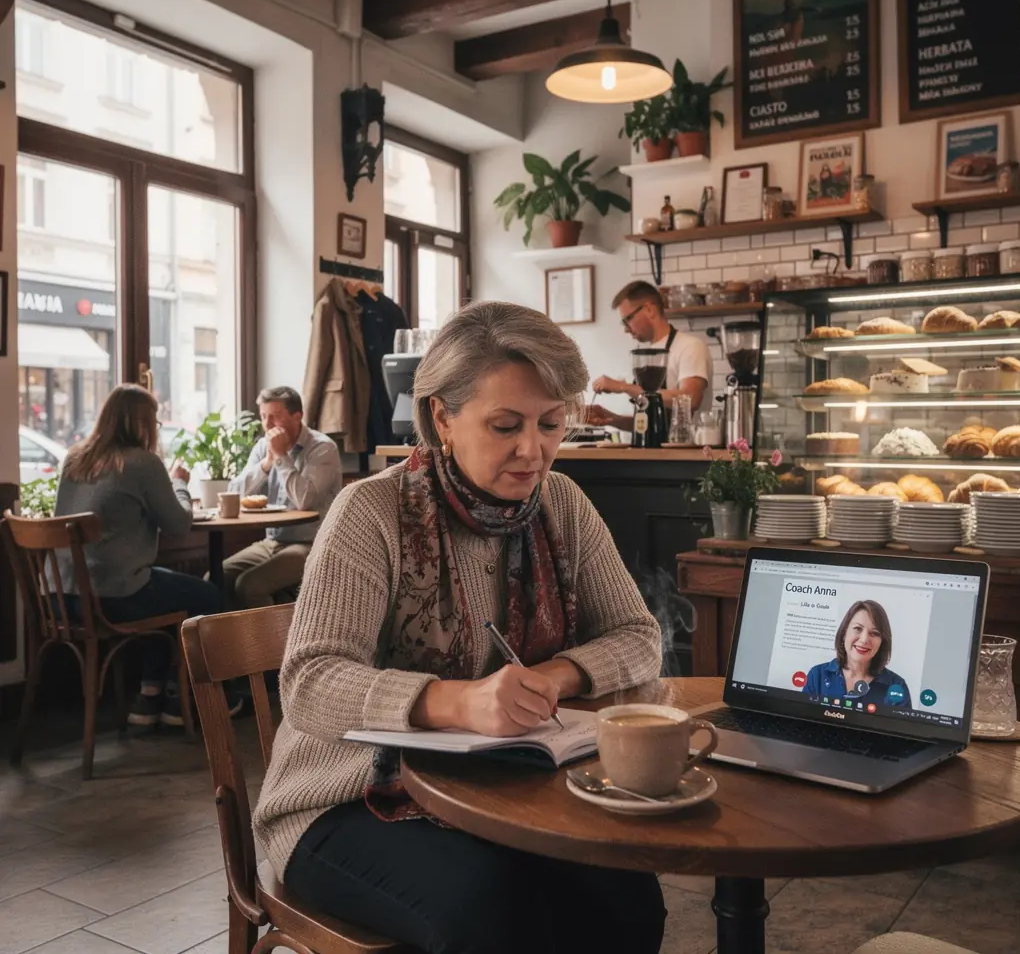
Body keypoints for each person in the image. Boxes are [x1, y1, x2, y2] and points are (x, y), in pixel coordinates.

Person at [253, 301, 666, 954]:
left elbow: (639, 637)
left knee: (627, 895)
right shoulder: (372, 512)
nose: (534, 450)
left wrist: (552, 677)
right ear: (442, 417)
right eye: (505, 426)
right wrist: (459, 703)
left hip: (499, 789)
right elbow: (309, 680)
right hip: (344, 796)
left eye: (551, 423)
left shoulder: (562, 505)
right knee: (490, 911)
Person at [55, 384, 221, 728]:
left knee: (161, 589)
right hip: (113, 599)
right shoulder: (143, 463)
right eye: (155, 421)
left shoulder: (74, 459)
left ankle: (149, 695)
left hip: (63, 600)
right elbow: (179, 525)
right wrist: (179, 483)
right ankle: (182, 700)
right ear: (142, 423)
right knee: (207, 596)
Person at [224, 386, 344, 609]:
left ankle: (270, 634)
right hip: (272, 542)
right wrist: (266, 464)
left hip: (311, 544)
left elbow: (304, 500)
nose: (267, 424)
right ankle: (228, 634)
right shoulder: (263, 447)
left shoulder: (322, 448)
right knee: (216, 577)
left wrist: (280, 456)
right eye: (263, 416)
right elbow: (235, 493)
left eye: (275, 416)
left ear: (297, 416)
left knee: (249, 586)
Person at [587, 280, 714, 433]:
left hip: (684, 447)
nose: (626, 330)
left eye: (628, 319)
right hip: (652, 448)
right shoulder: (646, 356)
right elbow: (647, 425)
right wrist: (612, 419)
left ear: (649, 309)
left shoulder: (690, 346)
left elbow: (691, 399)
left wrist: (623, 387)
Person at [802, 599, 912, 708]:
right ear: (844, 633)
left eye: (874, 633)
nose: (864, 640)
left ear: (882, 642)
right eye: (858, 628)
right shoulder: (817, 676)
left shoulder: (897, 687)